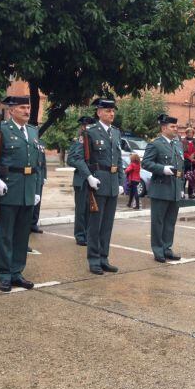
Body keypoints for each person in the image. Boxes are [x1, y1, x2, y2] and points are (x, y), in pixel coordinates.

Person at [0, 96, 43, 289]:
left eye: (28, 107)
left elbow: (37, 164)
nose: (27, 111)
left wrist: (37, 189)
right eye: (22, 107)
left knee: (22, 236)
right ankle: (5, 274)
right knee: (6, 236)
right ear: (11, 110)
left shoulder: (32, 131)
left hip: (28, 190)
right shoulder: (0, 130)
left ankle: (17, 272)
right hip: (8, 189)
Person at [68, 98, 125, 275]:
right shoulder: (90, 132)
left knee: (107, 225)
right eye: (108, 111)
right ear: (99, 112)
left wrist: (121, 181)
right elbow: (76, 158)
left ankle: (103, 258)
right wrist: (89, 177)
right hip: (98, 183)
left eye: (113, 111)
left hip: (112, 183)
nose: (111, 114)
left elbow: (118, 159)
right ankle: (94, 260)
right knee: (95, 225)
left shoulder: (115, 133)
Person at [141, 114, 184, 262]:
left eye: (176, 126)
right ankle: (158, 250)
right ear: (164, 128)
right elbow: (146, 163)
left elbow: (181, 167)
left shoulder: (178, 144)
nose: (175, 129)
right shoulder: (155, 144)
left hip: (175, 188)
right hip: (160, 188)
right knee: (158, 222)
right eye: (172, 127)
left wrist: (181, 187)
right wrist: (162, 169)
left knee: (170, 222)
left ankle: (167, 248)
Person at [66, 115, 96, 247]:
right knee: (81, 210)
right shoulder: (79, 140)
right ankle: (80, 235)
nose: (86, 128)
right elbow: (71, 160)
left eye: (89, 125)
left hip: (94, 178)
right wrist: (83, 167)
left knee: (91, 209)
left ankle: (88, 233)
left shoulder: (93, 140)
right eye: (85, 125)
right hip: (81, 179)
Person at [30, 136, 46, 235]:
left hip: (39, 176)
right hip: (31, 176)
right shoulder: (28, 140)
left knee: (37, 203)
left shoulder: (41, 142)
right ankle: (26, 225)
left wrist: (45, 176)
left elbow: (43, 161)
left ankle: (33, 224)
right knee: (29, 203)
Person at [181, 127, 195, 198]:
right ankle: (182, 193)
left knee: (192, 178)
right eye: (188, 133)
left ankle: (191, 193)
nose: (189, 134)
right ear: (186, 133)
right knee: (184, 177)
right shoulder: (183, 141)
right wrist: (189, 157)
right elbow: (181, 151)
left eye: (191, 133)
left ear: (193, 134)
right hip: (185, 162)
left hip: (194, 162)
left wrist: (194, 154)